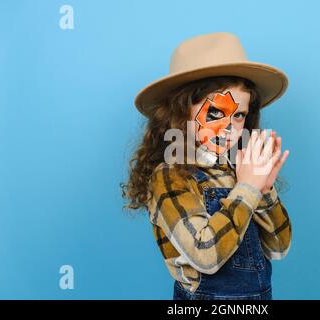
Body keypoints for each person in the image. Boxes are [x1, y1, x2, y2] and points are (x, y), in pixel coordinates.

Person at [122, 32, 292, 300]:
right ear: (180, 113)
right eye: (215, 114)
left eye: (239, 116)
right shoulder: (170, 176)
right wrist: (248, 188)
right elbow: (206, 255)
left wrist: (264, 189)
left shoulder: (238, 168)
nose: (228, 128)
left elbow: (279, 248)